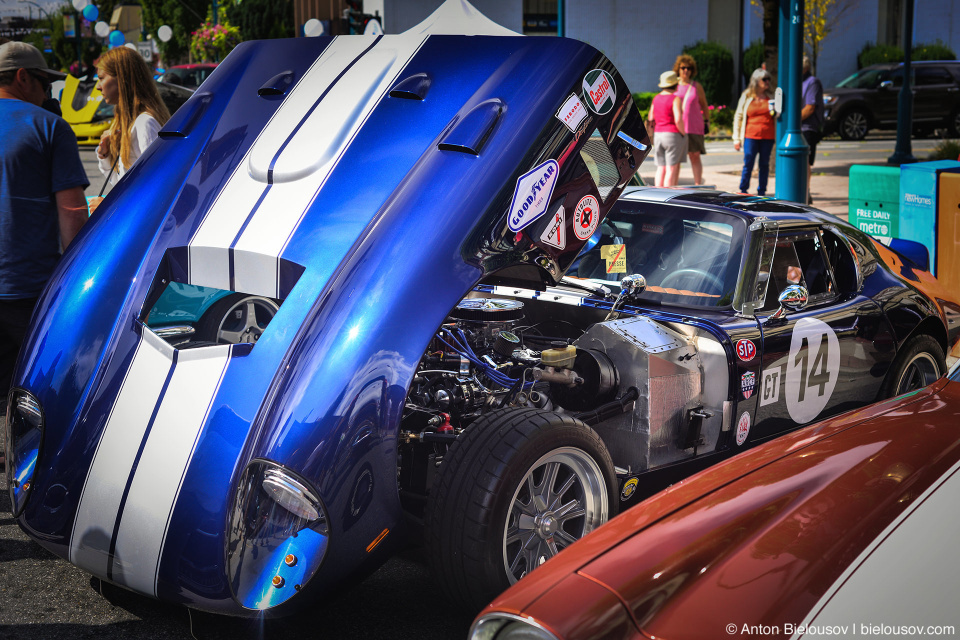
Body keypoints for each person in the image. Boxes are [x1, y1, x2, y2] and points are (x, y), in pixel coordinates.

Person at [0, 42, 89, 406]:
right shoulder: (49, 127)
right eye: (45, 84)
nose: (47, 93)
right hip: (29, 290)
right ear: (23, 78)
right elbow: (72, 214)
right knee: (37, 397)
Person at [95, 46, 171, 189]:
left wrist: (105, 203)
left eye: (101, 78)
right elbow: (121, 184)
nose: (98, 86)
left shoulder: (144, 123)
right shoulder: (129, 122)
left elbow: (157, 185)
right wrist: (105, 156)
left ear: (121, 79)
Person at [733, 68, 776, 196]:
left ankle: (762, 191)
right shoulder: (747, 96)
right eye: (764, 79)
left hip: (767, 136)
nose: (767, 82)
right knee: (748, 162)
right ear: (756, 81)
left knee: (764, 163)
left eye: (768, 79)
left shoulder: (771, 96)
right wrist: (736, 138)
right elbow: (738, 116)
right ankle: (743, 190)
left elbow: (778, 115)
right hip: (750, 135)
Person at [674, 54, 709, 185]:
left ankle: (698, 185)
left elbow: (704, 104)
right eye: (683, 68)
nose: (686, 71)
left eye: (688, 68)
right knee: (676, 160)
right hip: (677, 128)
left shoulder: (696, 86)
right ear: (678, 69)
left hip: (694, 126)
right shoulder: (674, 85)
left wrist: (707, 120)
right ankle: (672, 186)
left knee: (695, 156)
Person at [647, 70, 686, 187]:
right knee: (671, 168)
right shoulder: (675, 98)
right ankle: (668, 193)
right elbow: (678, 119)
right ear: (675, 84)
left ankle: (658, 194)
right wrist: (683, 133)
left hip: (658, 134)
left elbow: (650, 117)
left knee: (661, 167)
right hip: (672, 134)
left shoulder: (656, 98)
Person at [801, 54, 825, 204]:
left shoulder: (812, 82)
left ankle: (805, 191)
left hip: (807, 128)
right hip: (799, 127)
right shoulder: (797, 82)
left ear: (805, 68)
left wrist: (792, 121)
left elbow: (810, 108)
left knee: (805, 162)